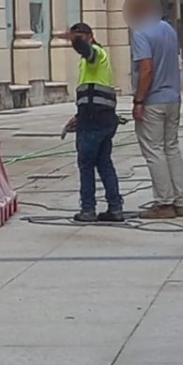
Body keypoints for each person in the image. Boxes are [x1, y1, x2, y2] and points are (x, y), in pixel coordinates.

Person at [123, 0, 183, 219]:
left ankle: (164, 203)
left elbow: (146, 68)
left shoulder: (141, 33)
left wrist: (139, 100)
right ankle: (180, 201)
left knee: (154, 151)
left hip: (153, 100)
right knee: (172, 148)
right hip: (173, 98)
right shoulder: (168, 29)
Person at [64, 23, 123, 222]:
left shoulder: (95, 54)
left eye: (80, 37)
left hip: (94, 121)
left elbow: (86, 50)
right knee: (104, 163)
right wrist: (77, 116)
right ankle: (115, 208)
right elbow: (89, 94)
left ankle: (88, 209)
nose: (76, 41)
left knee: (86, 164)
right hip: (101, 118)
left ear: (90, 37)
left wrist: (74, 40)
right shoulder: (89, 62)